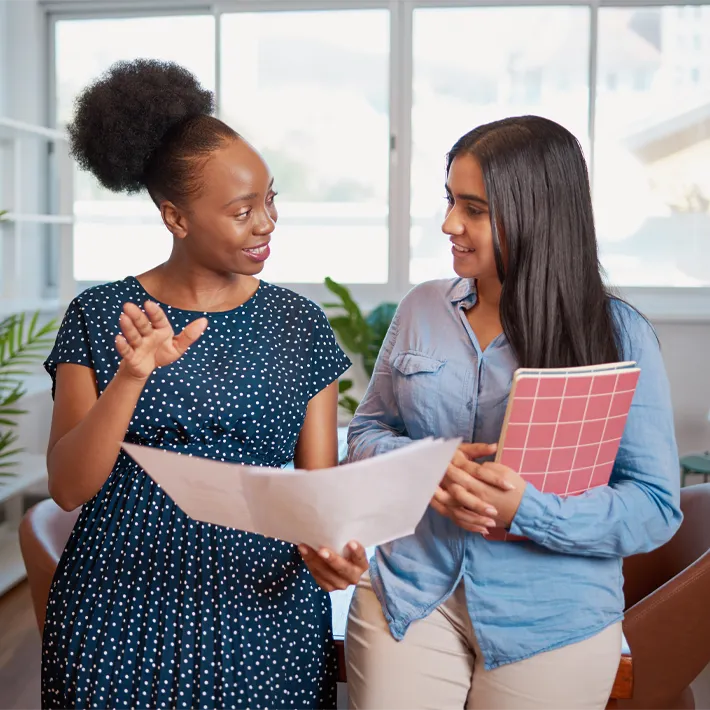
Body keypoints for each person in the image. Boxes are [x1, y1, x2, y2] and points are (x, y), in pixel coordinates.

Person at [42, 58, 367, 710]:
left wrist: (332, 556)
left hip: (263, 609)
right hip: (119, 605)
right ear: (176, 217)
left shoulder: (298, 324)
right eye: (243, 209)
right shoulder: (102, 316)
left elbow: (318, 498)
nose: (267, 222)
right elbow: (69, 486)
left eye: (270, 199)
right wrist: (131, 376)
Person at [345, 116, 682, 709]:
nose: (449, 224)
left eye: (473, 208)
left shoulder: (617, 336)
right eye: (450, 201)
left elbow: (654, 506)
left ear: (536, 212)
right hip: (413, 595)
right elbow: (368, 432)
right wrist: (425, 464)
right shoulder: (422, 308)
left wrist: (528, 510)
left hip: (554, 616)